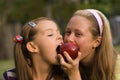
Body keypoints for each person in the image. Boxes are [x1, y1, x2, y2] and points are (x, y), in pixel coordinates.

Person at [2, 17, 81, 80]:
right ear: (32, 47)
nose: (60, 36)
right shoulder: (10, 76)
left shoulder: (66, 76)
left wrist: (75, 75)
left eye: (59, 33)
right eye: (50, 34)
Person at [63, 9, 120, 80]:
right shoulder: (63, 66)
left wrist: (74, 75)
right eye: (68, 32)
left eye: (78, 34)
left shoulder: (117, 68)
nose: (69, 39)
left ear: (96, 42)